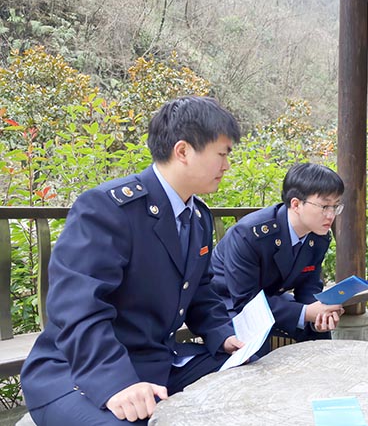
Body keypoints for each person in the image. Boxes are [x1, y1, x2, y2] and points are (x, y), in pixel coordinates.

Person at [21, 96, 245, 425]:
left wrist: (223, 334)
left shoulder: (198, 217)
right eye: (222, 154)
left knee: (246, 384)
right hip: (78, 372)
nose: (226, 165)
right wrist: (117, 383)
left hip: (155, 363)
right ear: (183, 151)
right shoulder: (107, 208)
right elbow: (77, 307)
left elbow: (201, 290)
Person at [211, 163, 345, 357]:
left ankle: (319, 385)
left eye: (335, 206)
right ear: (296, 204)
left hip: (268, 297)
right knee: (256, 346)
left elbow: (309, 286)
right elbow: (245, 301)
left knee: (317, 333)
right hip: (226, 302)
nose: (331, 215)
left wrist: (320, 313)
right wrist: (307, 312)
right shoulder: (250, 234)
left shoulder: (318, 237)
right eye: (324, 206)